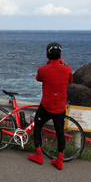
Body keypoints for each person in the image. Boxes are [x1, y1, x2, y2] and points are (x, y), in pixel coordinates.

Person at [27, 42, 73, 170]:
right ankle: (59, 161)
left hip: (46, 105)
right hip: (60, 106)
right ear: (60, 55)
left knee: (37, 128)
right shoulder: (67, 69)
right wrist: (61, 63)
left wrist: (50, 64)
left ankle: (39, 156)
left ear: (47, 55)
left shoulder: (43, 69)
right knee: (60, 132)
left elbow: (39, 78)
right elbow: (70, 79)